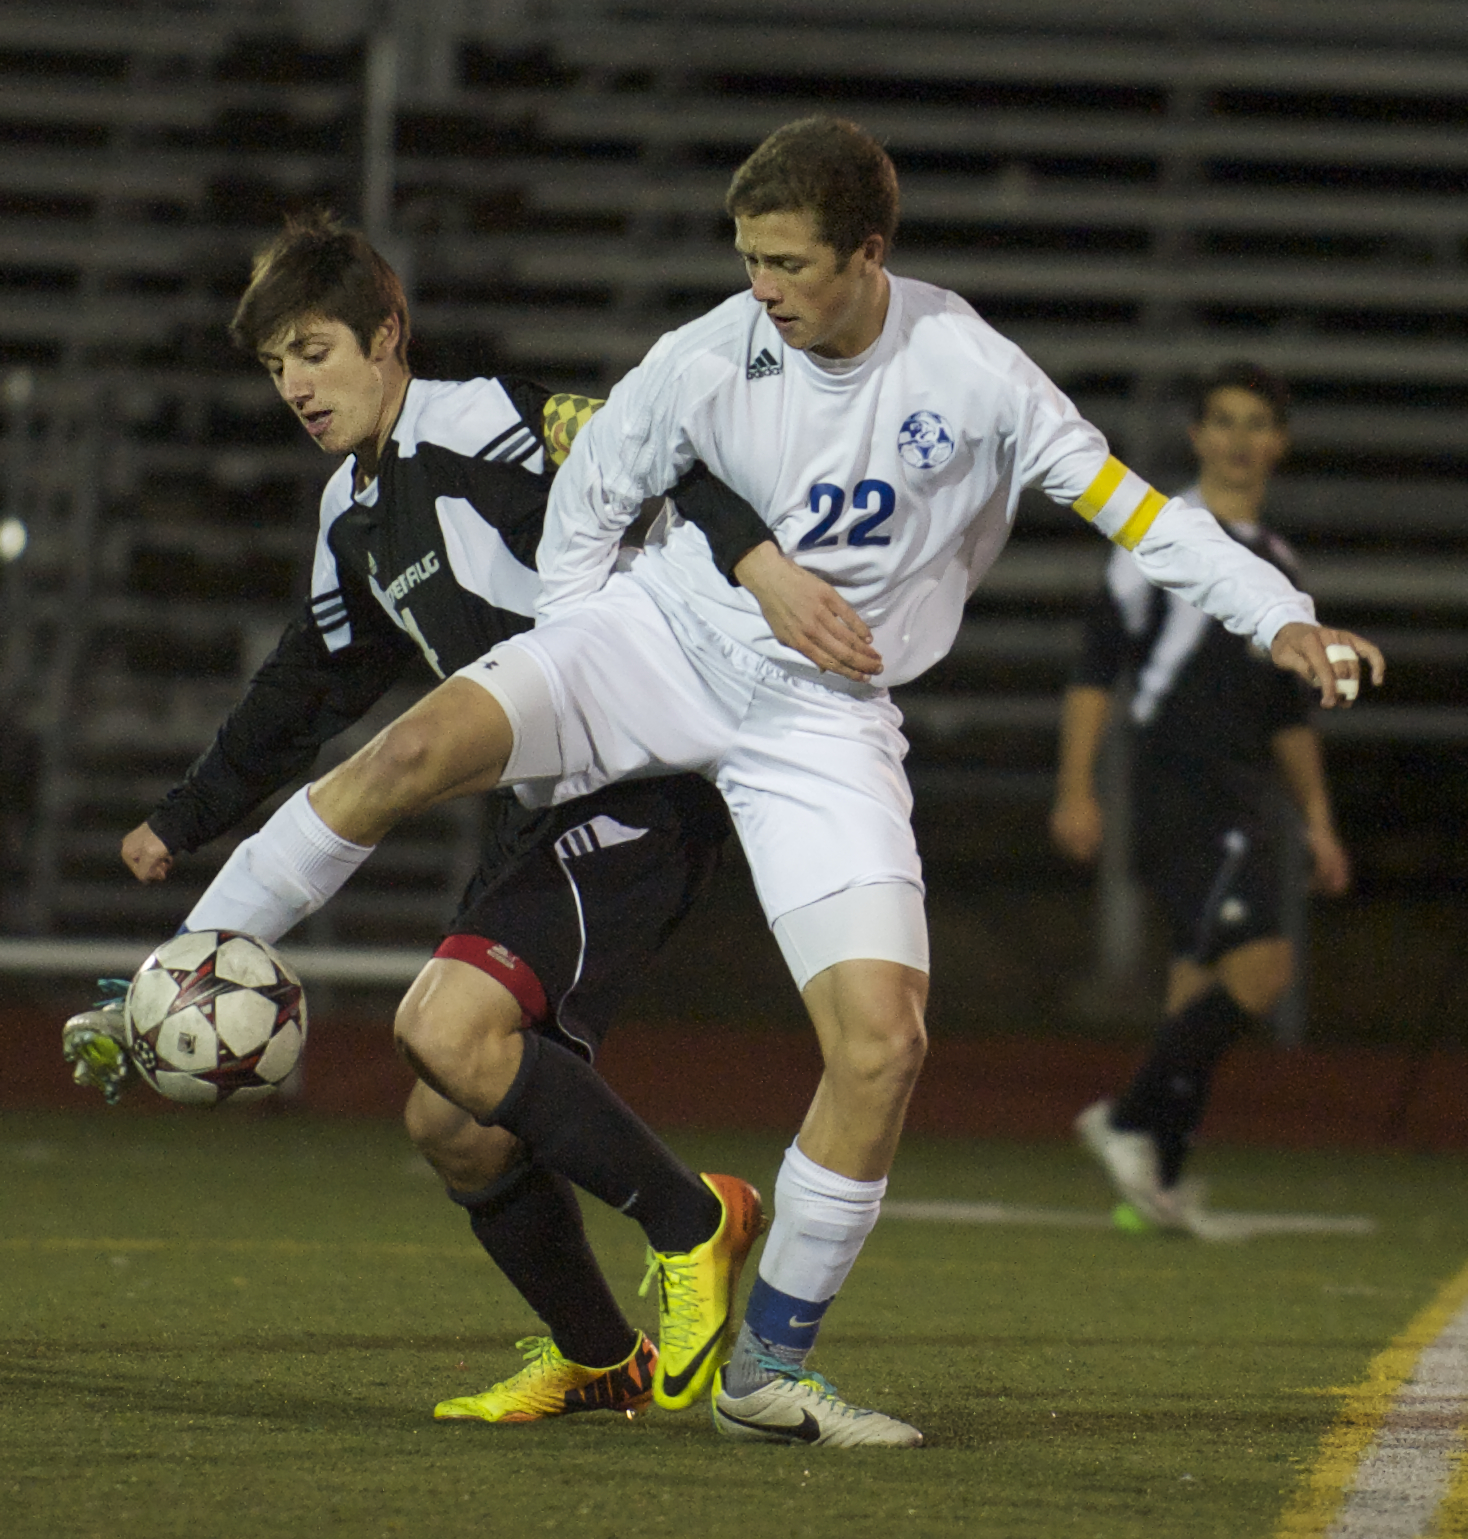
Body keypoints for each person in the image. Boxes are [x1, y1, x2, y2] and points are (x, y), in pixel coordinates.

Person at [158, 119, 1382, 1448]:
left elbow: (1144, 516)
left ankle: (770, 1367)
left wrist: (1280, 619)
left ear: (870, 252)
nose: (763, 289)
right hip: (658, 643)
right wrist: (579, 656)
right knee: (405, 754)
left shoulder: (969, 369)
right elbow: (600, 501)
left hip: (826, 714)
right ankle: (199, 961)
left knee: (885, 1043)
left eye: (789, 263)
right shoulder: (707, 352)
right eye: (748, 258)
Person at [62, 213, 775, 1425]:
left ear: (388, 337)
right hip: (541, 802)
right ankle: (604, 1363)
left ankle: (696, 1220)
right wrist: (185, 817)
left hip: (640, 778)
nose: (296, 384)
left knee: (442, 1019)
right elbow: (310, 681)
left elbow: (650, 467)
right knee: (452, 1123)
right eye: (277, 364)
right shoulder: (351, 506)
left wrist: (747, 578)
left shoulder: (486, 416)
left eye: (316, 351)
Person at [1053, 363, 1352, 1235]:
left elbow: (1287, 716)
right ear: (1197, 434)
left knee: (1195, 984)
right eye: (1222, 419)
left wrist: (1320, 819)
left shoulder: (1278, 566)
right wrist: (1076, 785)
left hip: (1241, 787)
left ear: (1278, 442)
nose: (1237, 437)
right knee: (1262, 967)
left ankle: (1160, 1179)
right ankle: (1129, 1120)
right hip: (1185, 784)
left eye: (1256, 422)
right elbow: (1097, 669)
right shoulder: (1163, 536)